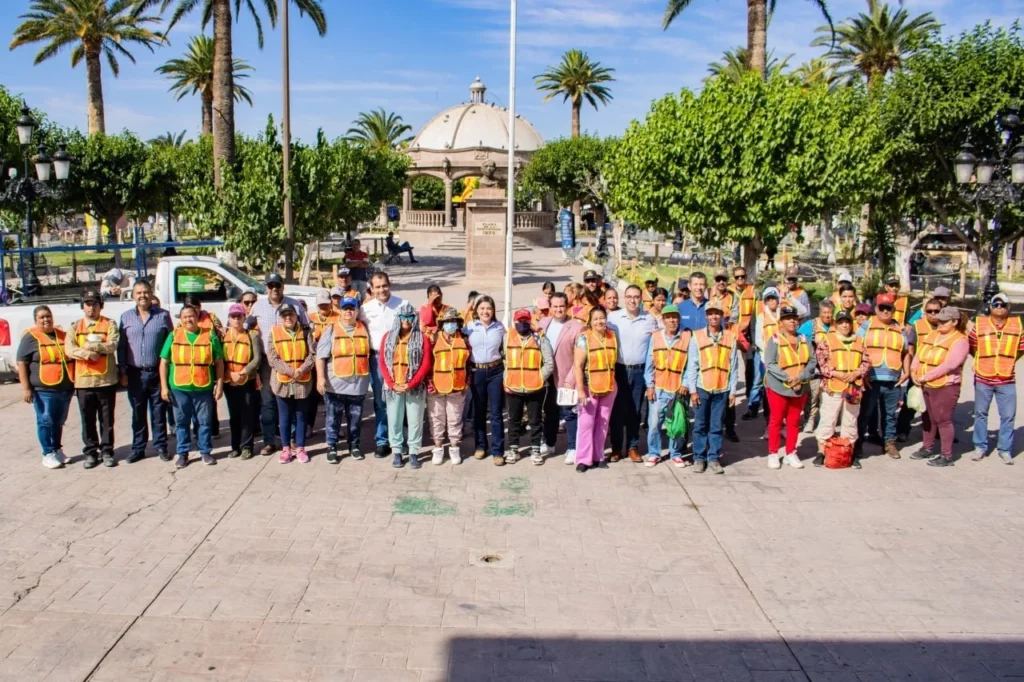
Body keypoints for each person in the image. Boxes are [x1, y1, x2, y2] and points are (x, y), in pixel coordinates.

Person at [159, 304, 224, 468]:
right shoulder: (174, 335)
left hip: (203, 386)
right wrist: (164, 387)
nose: (188, 319)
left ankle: (205, 452)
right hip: (179, 387)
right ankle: (182, 453)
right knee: (181, 422)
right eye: (185, 317)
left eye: (191, 316)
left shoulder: (209, 336)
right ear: (180, 320)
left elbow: (218, 362)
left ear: (197, 317)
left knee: (204, 421)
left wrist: (220, 384)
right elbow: (164, 362)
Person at [252, 273, 309, 455]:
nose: (274, 288)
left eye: (277, 285)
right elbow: (248, 328)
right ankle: (270, 441)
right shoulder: (257, 306)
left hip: (295, 362)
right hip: (268, 362)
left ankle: (292, 440)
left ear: (283, 286)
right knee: (268, 402)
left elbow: (307, 328)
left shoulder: (295, 305)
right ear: (266, 288)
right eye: (271, 285)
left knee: (293, 401)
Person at [119, 280, 174, 462]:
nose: (142, 295)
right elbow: (122, 347)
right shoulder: (126, 317)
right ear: (133, 295)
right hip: (135, 373)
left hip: (157, 372)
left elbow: (170, 344)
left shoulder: (163, 316)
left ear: (151, 294)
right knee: (138, 412)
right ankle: (138, 448)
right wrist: (123, 371)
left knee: (159, 412)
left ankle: (161, 446)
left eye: (145, 292)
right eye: (138, 293)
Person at [65, 289, 120, 468]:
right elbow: (69, 349)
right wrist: (88, 354)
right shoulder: (75, 327)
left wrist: (94, 346)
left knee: (106, 420)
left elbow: (113, 344)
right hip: (84, 381)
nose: (91, 308)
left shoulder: (109, 324)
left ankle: (107, 451)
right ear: (83, 306)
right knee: (87, 420)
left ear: (100, 306)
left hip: (106, 380)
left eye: (94, 304)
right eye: (88, 304)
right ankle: (90, 452)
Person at [684, 301, 740, 473]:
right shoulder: (697, 336)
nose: (714, 316)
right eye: (711, 313)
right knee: (700, 425)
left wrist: (732, 391)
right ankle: (699, 458)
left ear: (722, 316)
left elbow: (734, 366)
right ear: (706, 316)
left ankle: (714, 458)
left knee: (716, 426)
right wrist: (692, 390)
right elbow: (692, 365)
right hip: (702, 387)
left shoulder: (730, 337)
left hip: (722, 388)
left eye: (717, 313)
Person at [856, 293, 914, 460]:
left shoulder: (899, 330)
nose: (885, 311)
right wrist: (861, 374)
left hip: (893, 380)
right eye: (882, 308)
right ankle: (858, 443)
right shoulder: (866, 326)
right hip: (870, 379)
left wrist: (907, 372)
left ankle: (889, 442)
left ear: (894, 310)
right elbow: (856, 350)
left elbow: (905, 353)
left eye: (889, 308)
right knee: (865, 413)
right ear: (876, 309)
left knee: (889, 414)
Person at [18, 305, 76, 469]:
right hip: (43, 389)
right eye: (42, 317)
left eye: (48, 316)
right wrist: (26, 388)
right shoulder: (30, 338)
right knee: (45, 420)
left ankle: (57, 449)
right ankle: (47, 453)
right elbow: (21, 363)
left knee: (59, 421)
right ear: (35, 320)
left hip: (64, 387)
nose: (46, 320)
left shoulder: (61, 335)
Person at [969, 293, 1024, 464]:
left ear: (1009, 307)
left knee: (1008, 416)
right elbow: (972, 347)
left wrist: (1007, 361)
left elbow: (1020, 349)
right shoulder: (980, 325)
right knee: (980, 414)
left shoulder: (1017, 326)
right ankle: (980, 447)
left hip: (1007, 378)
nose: (999, 307)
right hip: (983, 376)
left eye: (1003, 305)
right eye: (996, 304)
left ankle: (1005, 449)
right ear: (990, 307)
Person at [910, 306, 968, 467]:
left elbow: (950, 364)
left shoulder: (960, 340)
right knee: (927, 417)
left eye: (944, 321)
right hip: (925, 383)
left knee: (943, 420)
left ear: (955, 322)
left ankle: (946, 455)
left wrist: (926, 376)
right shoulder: (932, 334)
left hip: (946, 386)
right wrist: (913, 371)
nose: (940, 323)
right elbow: (918, 354)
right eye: (939, 321)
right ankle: (927, 447)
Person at [317, 295, 371, 464]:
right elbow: (320, 356)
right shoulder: (331, 330)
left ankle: (354, 446)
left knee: (355, 419)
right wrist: (320, 378)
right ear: (340, 311)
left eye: (352, 308)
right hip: (335, 384)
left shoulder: (365, 329)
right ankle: (332, 447)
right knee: (333, 419)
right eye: (345, 308)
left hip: (358, 384)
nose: (348, 311)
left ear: (357, 310)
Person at [763, 305, 818, 470]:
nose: (792, 321)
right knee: (776, 420)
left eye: (794, 318)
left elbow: (812, 361)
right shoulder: (774, 339)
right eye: (788, 318)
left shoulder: (804, 339)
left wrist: (800, 378)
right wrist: (788, 378)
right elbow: (770, 363)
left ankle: (791, 452)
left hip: (800, 386)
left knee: (794, 422)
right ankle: (773, 453)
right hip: (779, 387)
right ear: (781, 322)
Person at [813, 310, 869, 469]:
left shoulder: (859, 340)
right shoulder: (827, 340)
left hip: (853, 387)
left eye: (847, 322)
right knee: (828, 419)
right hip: (833, 386)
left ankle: (847, 453)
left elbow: (866, 362)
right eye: (841, 322)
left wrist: (857, 373)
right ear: (835, 324)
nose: (844, 325)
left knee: (850, 421)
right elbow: (821, 363)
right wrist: (836, 373)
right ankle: (822, 452)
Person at [607, 285, 656, 463]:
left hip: (639, 371)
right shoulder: (613, 318)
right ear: (624, 298)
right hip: (618, 370)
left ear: (641, 299)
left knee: (635, 411)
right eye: (629, 297)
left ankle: (633, 447)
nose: (632, 300)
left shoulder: (649, 319)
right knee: (617, 411)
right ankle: (616, 448)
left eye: (636, 297)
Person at [380, 302, 432, 468]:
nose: (406, 320)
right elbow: (382, 361)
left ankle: (414, 452)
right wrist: (391, 383)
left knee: (415, 420)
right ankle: (396, 451)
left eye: (410, 316)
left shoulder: (422, 338)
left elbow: (425, 364)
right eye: (403, 316)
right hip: (393, 386)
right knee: (394, 419)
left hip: (414, 388)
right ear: (398, 318)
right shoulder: (388, 337)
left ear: (414, 318)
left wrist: (411, 383)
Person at [360, 271, 406, 457]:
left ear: (390, 284)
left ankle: (400, 439)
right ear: (372, 288)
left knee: (399, 398)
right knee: (381, 401)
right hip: (377, 359)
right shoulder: (365, 309)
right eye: (377, 287)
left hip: (398, 358)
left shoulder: (403, 305)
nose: (382, 290)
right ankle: (382, 440)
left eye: (384, 285)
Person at [503, 308, 555, 465]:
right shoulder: (507, 337)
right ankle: (513, 450)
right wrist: (506, 379)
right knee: (514, 420)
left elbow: (549, 363)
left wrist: (539, 378)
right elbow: (504, 361)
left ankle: (536, 450)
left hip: (535, 388)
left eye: (525, 321)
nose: (522, 324)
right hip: (513, 387)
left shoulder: (540, 338)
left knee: (535, 420)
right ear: (514, 322)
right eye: (519, 321)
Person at [539, 292, 585, 465]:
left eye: (562, 306)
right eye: (555, 306)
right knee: (549, 412)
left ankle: (572, 448)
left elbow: (579, 358)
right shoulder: (543, 324)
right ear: (550, 308)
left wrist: (571, 378)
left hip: (566, 377)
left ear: (567, 307)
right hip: (547, 377)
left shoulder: (576, 327)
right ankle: (549, 442)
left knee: (569, 413)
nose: (558, 309)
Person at [267, 303, 316, 464]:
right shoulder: (274, 333)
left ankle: (300, 447)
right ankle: (286, 448)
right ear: (280, 318)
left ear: (296, 316)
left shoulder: (306, 332)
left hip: (303, 380)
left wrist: (301, 370)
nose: (288, 318)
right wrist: (289, 371)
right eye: (284, 315)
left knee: (301, 415)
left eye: (291, 315)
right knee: (285, 416)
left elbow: (313, 354)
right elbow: (273, 358)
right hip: (282, 381)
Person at [573, 307, 619, 472]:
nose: (600, 321)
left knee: (603, 422)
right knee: (586, 423)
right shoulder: (584, 338)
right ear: (590, 322)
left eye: (602, 318)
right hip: (589, 387)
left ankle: (598, 456)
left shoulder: (612, 336)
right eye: (596, 319)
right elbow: (578, 365)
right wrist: (580, 390)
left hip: (608, 386)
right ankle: (583, 459)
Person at [645, 304, 690, 467]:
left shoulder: (686, 337)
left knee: (677, 422)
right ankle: (654, 453)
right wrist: (649, 386)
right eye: (668, 317)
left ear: (679, 319)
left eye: (674, 317)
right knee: (655, 423)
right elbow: (649, 365)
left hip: (678, 388)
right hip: (659, 388)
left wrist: (685, 383)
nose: (672, 320)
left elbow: (689, 365)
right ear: (663, 320)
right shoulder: (656, 337)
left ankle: (676, 453)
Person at [427, 308, 471, 465]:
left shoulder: (465, 340)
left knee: (455, 418)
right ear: (442, 324)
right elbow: (428, 363)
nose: (450, 325)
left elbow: (469, 363)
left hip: (457, 386)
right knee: (436, 417)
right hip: (436, 386)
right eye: (447, 322)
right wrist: (429, 382)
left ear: (458, 324)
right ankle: (438, 448)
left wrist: (467, 382)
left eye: (453, 322)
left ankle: (454, 448)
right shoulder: (433, 339)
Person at [466, 295, 506, 463]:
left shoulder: (500, 327)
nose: (485, 311)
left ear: (493, 310)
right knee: (479, 412)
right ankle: (481, 446)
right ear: (476, 310)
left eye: (488, 308)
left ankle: (498, 451)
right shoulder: (468, 327)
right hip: (477, 372)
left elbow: (506, 348)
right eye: (482, 308)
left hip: (496, 371)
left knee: (496, 413)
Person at [896, 297, 942, 441]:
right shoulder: (918, 325)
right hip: (919, 370)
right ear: (925, 312)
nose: (933, 314)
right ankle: (902, 430)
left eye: (937, 311)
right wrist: (910, 370)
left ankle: (938, 431)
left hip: (938, 372)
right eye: (930, 311)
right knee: (910, 402)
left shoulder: (946, 326)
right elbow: (910, 348)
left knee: (937, 405)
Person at [222, 303, 262, 460]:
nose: (236, 319)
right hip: (229, 382)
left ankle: (247, 446)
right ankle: (235, 447)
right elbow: (219, 360)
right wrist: (230, 374)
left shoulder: (252, 335)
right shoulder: (223, 335)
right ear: (229, 319)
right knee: (234, 415)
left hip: (247, 381)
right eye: (233, 316)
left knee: (247, 414)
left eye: (239, 316)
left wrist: (242, 373)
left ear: (245, 317)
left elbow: (257, 359)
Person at [744, 287, 781, 422]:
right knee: (761, 384)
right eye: (769, 299)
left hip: (782, 356)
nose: (772, 301)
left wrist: (789, 296)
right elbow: (758, 338)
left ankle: (777, 415)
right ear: (765, 301)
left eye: (774, 298)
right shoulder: (762, 317)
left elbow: (803, 311)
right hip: (764, 355)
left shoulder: (783, 315)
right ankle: (755, 410)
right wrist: (768, 352)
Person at [798, 300, 834, 434]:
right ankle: (810, 420)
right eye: (825, 312)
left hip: (831, 367)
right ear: (820, 312)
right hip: (814, 366)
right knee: (812, 395)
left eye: (830, 313)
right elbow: (798, 339)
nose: (827, 316)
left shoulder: (835, 325)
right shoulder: (810, 325)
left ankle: (825, 422)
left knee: (827, 397)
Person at [306, 289, 339, 433]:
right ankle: (309, 426)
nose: (323, 307)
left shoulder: (338, 317)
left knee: (332, 394)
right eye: (321, 305)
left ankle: (335, 426)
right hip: (314, 360)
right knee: (312, 395)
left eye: (326, 304)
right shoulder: (309, 318)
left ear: (330, 303)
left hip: (333, 360)